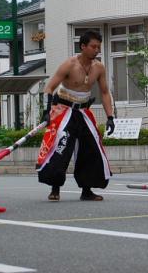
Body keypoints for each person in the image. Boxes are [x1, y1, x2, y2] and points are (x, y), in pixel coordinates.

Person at [37, 30, 115, 201]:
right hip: (63, 109)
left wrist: (110, 117)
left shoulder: (99, 67)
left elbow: (104, 92)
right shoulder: (69, 65)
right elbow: (49, 88)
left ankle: (87, 190)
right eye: (93, 47)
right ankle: (55, 188)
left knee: (91, 149)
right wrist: (46, 111)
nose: (97, 50)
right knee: (61, 147)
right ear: (83, 46)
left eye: (98, 47)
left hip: (83, 111)